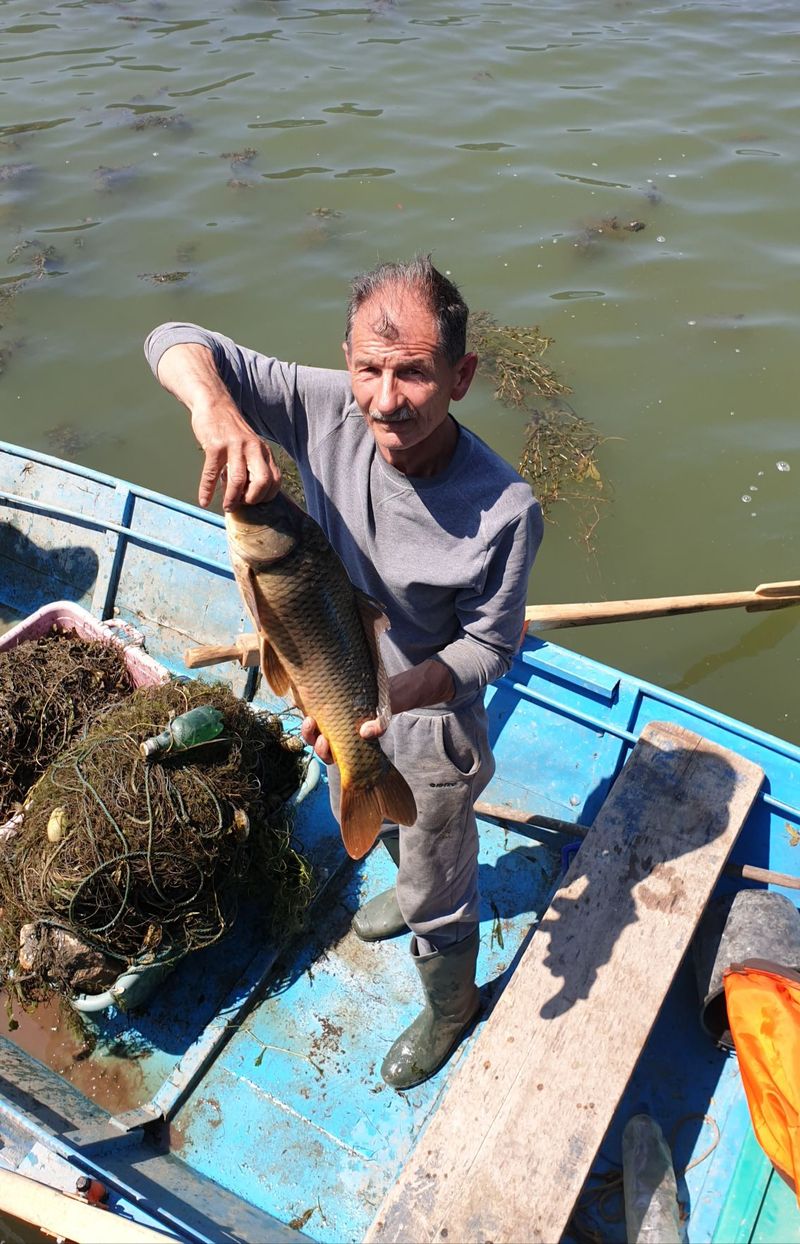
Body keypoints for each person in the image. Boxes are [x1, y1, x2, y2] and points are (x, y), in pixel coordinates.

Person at [144, 256, 543, 1089]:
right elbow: (172, 338)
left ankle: (449, 1003)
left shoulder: (505, 510)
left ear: (461, 375)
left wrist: (395, 695)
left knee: (438, 873)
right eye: (369, 368)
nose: (385, 400)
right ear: (346, 359)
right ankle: (403, 872)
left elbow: (491, 652)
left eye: (414, 374)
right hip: (331, 689)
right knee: (373, 813)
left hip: (427, 713)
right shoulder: (321, 404)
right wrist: (218, 413)